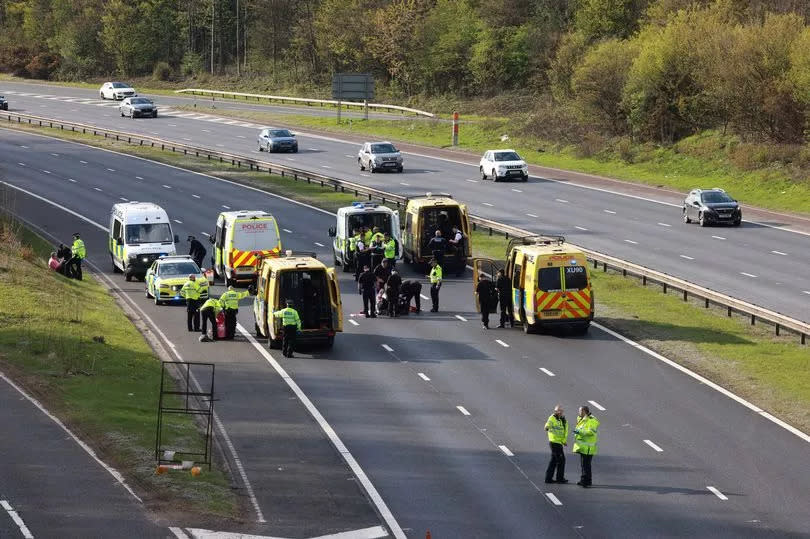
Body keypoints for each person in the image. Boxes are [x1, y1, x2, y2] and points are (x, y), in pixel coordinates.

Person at [573, 405, 600, 488]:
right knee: (584, 464)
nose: (579, 412)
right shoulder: (581, 419)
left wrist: (579, 432)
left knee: (586, 465)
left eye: (580, 411)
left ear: (584, 412)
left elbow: (590, 432)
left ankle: (586, 481)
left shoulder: (591, 421)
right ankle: (584, 480)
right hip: (583, 446)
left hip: (588, 447)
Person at [544, 405, 569, 484]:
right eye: (557, 411)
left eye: (561, 411)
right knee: (561, 460)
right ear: (555, 411)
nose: (559, 412)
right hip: (554, 442)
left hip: (559, 442)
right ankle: (559, 478)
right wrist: (547, 427)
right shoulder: (552, 418)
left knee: (554, 461)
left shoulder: (563, 420)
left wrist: (564, 441)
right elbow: (547, 425)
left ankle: (548, 478)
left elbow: (565, 431)